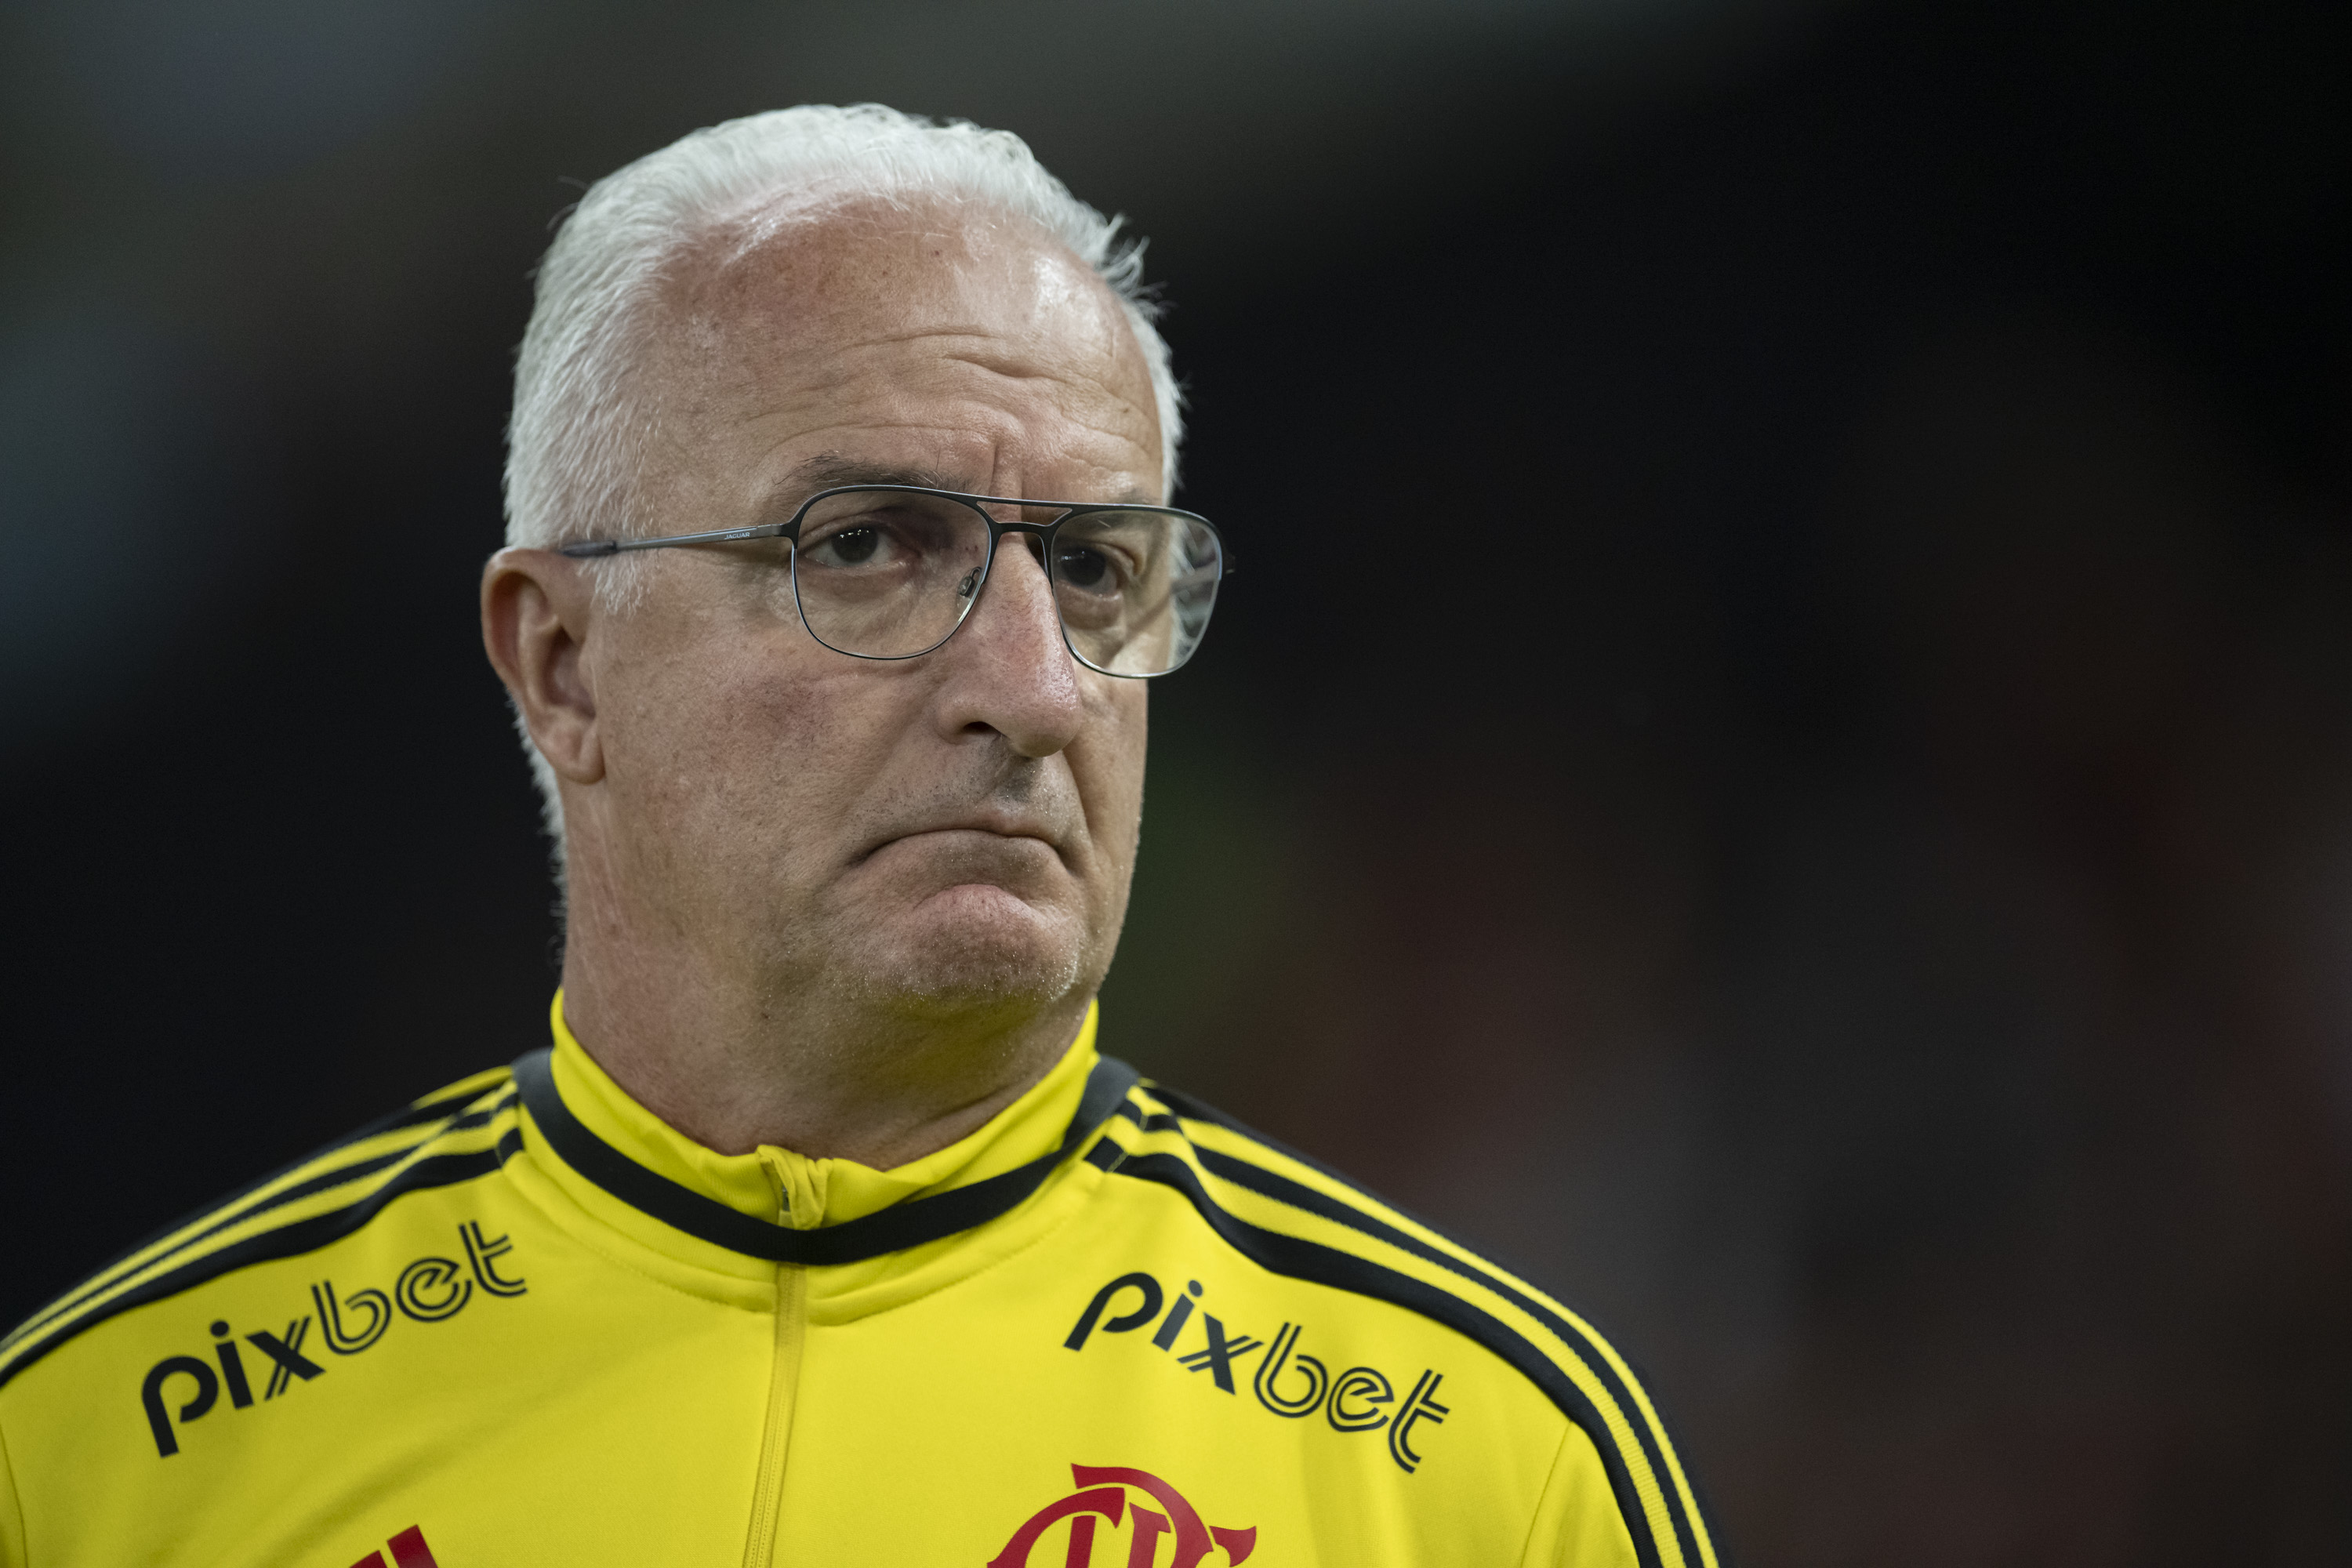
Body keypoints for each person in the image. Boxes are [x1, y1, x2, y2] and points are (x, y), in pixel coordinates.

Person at [0, 106, 1719, 1568]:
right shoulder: (98, 1464)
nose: (1033, 690)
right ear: (565, 662)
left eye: (1095, 568)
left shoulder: (1487, 1470)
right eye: (870, 545)